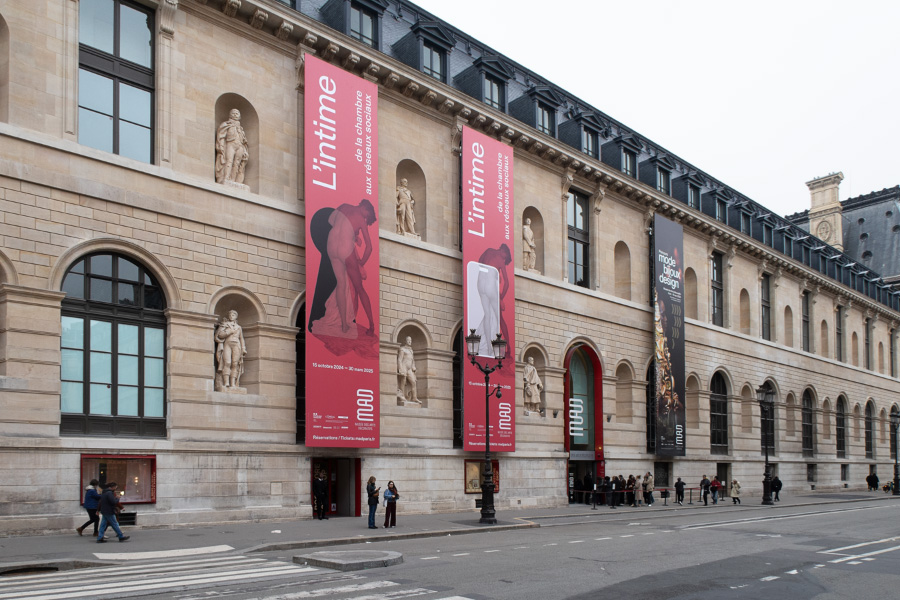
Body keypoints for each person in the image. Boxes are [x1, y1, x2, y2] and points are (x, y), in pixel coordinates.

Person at [215, 109, 249, 185]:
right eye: (233, 113)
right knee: (229, 161)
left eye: (237, 113)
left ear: (239, 116)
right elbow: (221, 135)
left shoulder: (241, 128)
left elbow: (244, 142)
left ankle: (233, 180)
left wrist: (245, 151)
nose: (235, 114)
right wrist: (220, 145)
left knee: (237, 163)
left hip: (239, 146)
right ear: (230, 115)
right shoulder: (226, 124)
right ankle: (226, 177)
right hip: (230, 144)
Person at [215, 310, 246, 389]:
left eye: (234, 314)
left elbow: (241, 338)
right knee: (227, 362)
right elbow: (219, 335)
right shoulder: (225, 324)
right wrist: (229, 331)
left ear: (236, 316)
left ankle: (233, 384)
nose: (232, 315)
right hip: (227, 344)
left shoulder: (239, 327)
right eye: (230, 314)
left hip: (237, 344)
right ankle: (226, 383)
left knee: (234, 364)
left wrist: (243, 348)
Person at [396, 336, 420, 403]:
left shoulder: (411, 350)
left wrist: (413, 366)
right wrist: (400, 369)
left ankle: (414, 398)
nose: (410, 341)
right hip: (404, 366)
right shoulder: (402, 349)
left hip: (409, 369)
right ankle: (402, 395)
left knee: (413, 382)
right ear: (405, 341)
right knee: (403, 381)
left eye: (410, 340)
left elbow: (413, 360)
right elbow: (399, 360)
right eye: (408, 340)